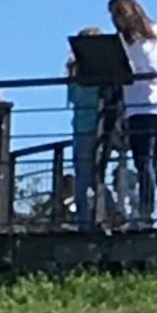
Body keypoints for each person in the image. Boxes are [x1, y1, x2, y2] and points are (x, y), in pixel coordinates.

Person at [109, 0, 157, 226]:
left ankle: (146, 210)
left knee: (144, 161)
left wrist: (125, 70)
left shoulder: (135, 40)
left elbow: (149, 69)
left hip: (143, 105)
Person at [67, 27, 105, 231]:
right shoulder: (103, 69)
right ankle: (107, 213)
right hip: (97, 126)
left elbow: (76, 97)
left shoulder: (76, 70)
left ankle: (84, 221)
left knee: (83, 176)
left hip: (83, 127)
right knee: (94, 176)